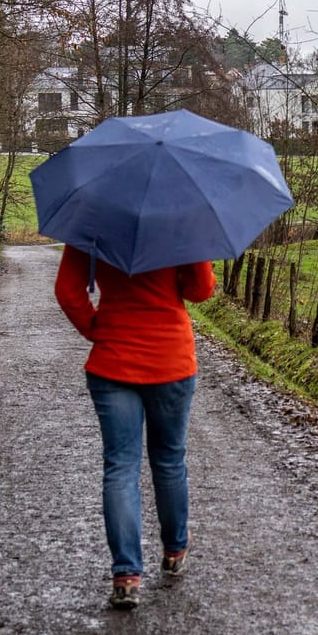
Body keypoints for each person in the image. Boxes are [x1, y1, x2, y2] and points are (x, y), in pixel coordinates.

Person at [54, 246, 216, 609]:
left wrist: (96, 328)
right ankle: (174, 551)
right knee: (169, 460)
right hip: (171, 361)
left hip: (113, 361)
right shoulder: (180, 221)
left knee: (120, 467)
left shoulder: (93, 219)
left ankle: (126, 575)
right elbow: (200, 290)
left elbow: (67, 290)